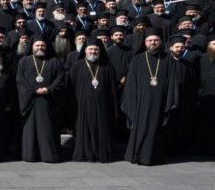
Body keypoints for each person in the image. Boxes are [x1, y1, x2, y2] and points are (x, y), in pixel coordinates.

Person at [121, 33, 179, 166]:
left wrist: (170, 100)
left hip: (160, 101)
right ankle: (137, 155)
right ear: (145, 42)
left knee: (155, 128)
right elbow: (130, 84)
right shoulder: (137, 59)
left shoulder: (168, 59)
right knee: (140, 127)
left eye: (156, 40)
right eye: (149, 40)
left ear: (161, 41)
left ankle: (154, 156)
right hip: (141, 102)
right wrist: (132, 102)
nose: (153, 42)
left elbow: (172, 82)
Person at [16, 35, 65, 163]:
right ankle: (30, 155)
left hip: (48, 102)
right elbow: (20, 80)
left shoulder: (55, 61)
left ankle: (49, 155)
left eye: (42, 45)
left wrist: (49, 89)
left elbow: (60, 78)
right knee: (30, 130)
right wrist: (33, 91)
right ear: (32, 47)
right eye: (37, 45)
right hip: (30, 102)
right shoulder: (24, 61)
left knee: (47, 129)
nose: (40, 47)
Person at [68, 39, 118, 162]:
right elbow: (71, 87)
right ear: (85, 50)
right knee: (83, 130)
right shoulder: (77, 66)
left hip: (103, 106)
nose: (93, 51)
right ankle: (85, 154)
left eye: (96, 49)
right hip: (82, 106)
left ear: (100, 51)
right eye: (90, 49)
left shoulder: (107, 67)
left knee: (102, 130)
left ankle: (102, 154)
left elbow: (113, 91)